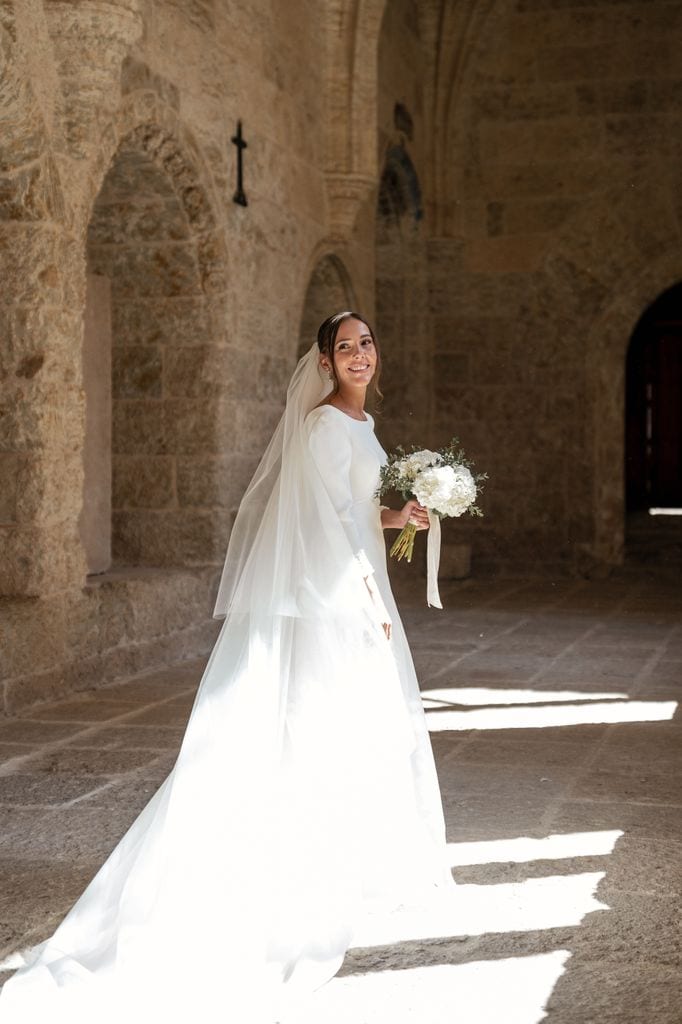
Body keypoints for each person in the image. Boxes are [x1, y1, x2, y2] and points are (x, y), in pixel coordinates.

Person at [0, 312, 451, 1024]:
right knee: (322, 731)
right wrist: (369, 598)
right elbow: (320, 527)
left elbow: (354, 513)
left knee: (348, 731)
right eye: (345, 348)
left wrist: (404, 517)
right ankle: (294, 877)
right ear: (326, 363)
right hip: (341, 600)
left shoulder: (358, 426)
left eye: (366, 343)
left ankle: (337, 864)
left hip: (356, 588)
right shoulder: (328, 426)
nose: (359, 355)